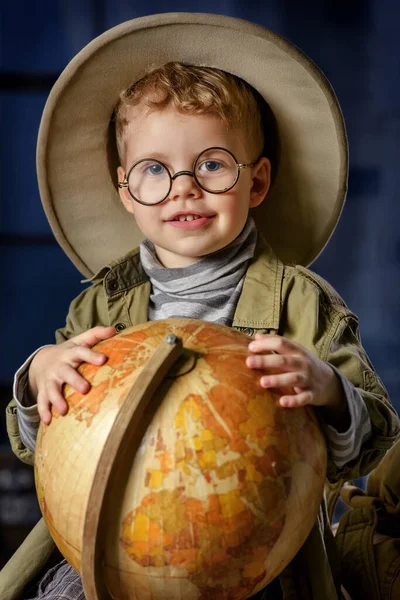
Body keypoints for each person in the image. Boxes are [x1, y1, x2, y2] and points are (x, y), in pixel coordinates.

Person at [1, 12, 399, 600]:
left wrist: (326, 388)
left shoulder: (301, 302)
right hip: (115, 542)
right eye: (155, 170)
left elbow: (374, 437)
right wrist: (39, 379)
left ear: (256, 183)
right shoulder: (101, 307)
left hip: (258, 553)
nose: (184, 186)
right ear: (127, 192)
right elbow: (49, 454)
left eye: (211, 164)